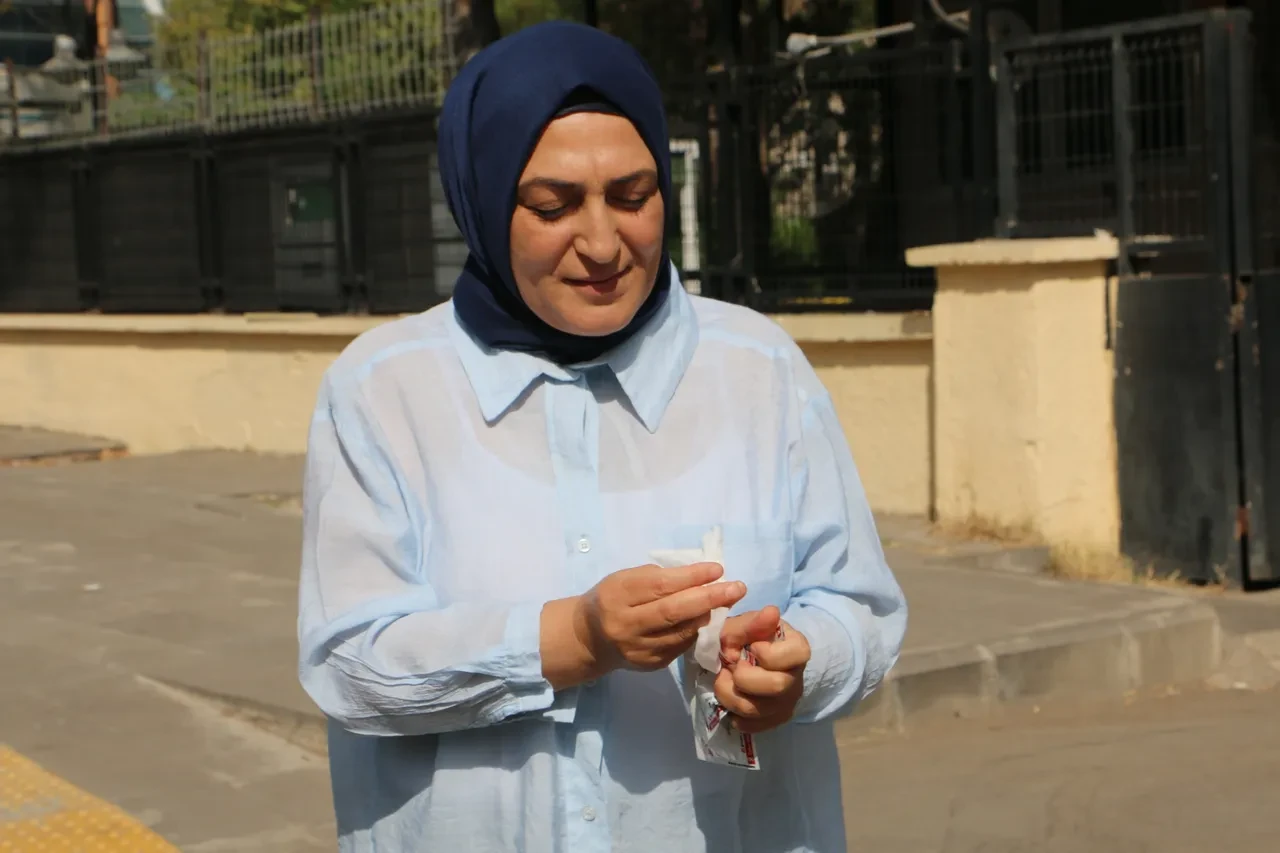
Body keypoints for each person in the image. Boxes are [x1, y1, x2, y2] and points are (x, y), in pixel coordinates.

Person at [297, 19, 907, 853]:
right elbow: (348, 661)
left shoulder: (757, 370)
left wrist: (804, 666)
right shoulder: (383, 391)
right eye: (551, 205)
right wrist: (570, 639)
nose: (601, 242)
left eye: (632, 196)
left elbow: (861, 607)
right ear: (481, 199)